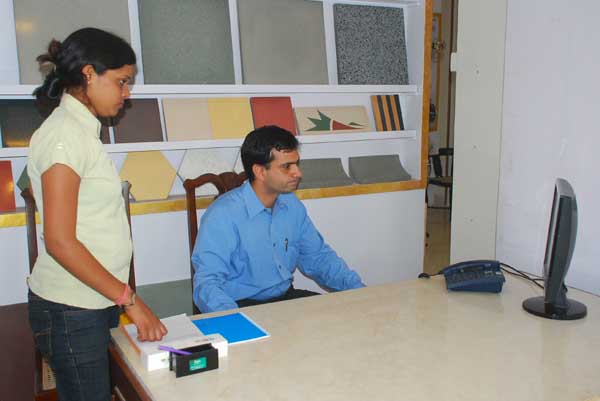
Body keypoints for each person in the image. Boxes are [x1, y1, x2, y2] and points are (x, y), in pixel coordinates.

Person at [27, 28, 167, 401]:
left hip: (93, 299)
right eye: (121, 81)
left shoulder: (79, 133)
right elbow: (59, 241)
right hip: (72, 308)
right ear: (89, 74)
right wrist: (131, 302)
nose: (127, 93)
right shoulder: (64, 137)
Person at [192, 125, 365, 313]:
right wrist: (235, 322)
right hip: (240, 306)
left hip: (286, 299)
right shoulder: (222, 215)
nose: (298, 173)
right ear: (260, 171)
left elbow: (319, 258)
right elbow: (208, 283)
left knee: (341, 317)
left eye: (296, 164)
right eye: (286, 167)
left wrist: (360, 292)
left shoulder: (291, 205)